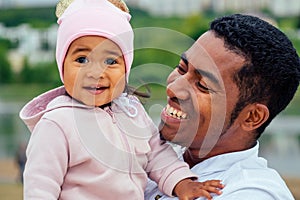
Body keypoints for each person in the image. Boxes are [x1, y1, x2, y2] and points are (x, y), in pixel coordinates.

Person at [19, 0, 224, 199]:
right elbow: (40, 186)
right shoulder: (57, 123)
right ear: (62, 65)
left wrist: (182, 183)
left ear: (126, 68)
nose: (96, 72)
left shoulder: (132, 111)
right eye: (82, 59)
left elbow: (158, 156)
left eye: (110, 61)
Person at [145, 13, 300, 200]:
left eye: (203, 86)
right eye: (182, 68)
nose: (173, 88)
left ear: (252, 117)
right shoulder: (154, 153)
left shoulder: (251, 192)